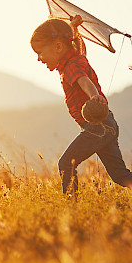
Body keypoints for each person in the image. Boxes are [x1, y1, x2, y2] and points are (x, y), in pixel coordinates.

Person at [30, 15, 132, 194]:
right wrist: (73, 27)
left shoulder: (71, 66)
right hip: (106, 125)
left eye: (40, 52)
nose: (39, 58)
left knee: (66, 163)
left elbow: (84, 81)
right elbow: (72, 44)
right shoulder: (75, 58)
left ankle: (71, 207)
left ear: (58, 47)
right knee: (120, 175)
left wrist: (94, 96)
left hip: (98, 127)